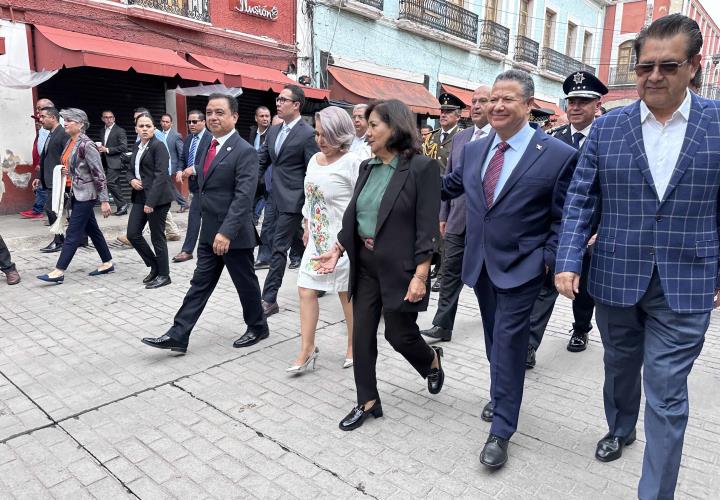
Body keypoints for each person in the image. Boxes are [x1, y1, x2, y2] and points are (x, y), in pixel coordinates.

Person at [555, 14, 717, 499]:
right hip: (616, 277)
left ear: (694, 66)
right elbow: (582, 198)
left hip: (686, 283)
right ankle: (621, 426)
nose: (654, 76)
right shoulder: (610, 129)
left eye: (668, 65)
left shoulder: (716, 125)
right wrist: (567, 259)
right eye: (645, 65)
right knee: (620, 367)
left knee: (667, 394)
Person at [442, 70, 577, 469]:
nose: (497, 106)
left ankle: (502, 428)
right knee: (494, 343)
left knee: (509, 343)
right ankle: (501, 393)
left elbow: (564, 217)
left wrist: (547, 260)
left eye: (508, 99)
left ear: (529, 105)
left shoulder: (556, 155)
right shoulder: (474, 149)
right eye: (492, 98)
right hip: (481, 265)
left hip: (523, 268)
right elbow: (449, 185)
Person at [313, 99, 445, 431]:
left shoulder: (421, 168)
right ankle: (367, 401)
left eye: (373, 126)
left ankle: (430, 360)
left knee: (399, 336)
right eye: (366, 125)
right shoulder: (366, 167)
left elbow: (427, 227)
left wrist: (421, 275)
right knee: (361, 334)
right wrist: (338, 247)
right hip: (366, 264)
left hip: (401, 267)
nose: (366, 131)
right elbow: (355, 215)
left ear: (395, 127)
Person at [141, 94, 268, 353]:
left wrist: (227, 232)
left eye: (220, 112)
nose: (213, 117)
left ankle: (258, 327)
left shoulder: (244, 151)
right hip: (210, 233)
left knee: (245, 284)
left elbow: (243, 197)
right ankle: (179, 334)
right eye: (209, 112)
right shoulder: (207, 146)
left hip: (233, 235)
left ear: (234, 117)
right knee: (199, 284)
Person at [526, 71, 608, 368]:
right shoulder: (553, 139)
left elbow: (610, 191)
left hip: (592, 228)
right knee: (546, 284)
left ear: (596, 104)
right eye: (571, 101)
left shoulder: (607, 138)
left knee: (584, 287)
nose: (574, 107)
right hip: (557, 226)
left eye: (582, 102)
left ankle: (581, 328)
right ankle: (529, 345)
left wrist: (601, 230)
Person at [287, 106, 361, 373]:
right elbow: (309, 196)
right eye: (317, 133)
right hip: (317, 240)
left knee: (346, 295)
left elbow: (360, 203)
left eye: (327, 134)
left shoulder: (353, 162)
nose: (321, 140)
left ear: (340, 133)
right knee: (306, 290)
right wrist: (306, 223)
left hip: (343, 243)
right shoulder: (314, 160)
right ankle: (307, 349)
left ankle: (354, 346)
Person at [421, 85, 492, 342]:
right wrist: (443, 215)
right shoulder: (462, 138)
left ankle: (494, 321)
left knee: (486, 278)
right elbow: (450, 179)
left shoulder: (500, 138)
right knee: (450, 272)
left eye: (482, 101)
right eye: (473, 101)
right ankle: (442, 325)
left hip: (487, 226)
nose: (475, 106)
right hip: (457, 220)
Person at [258, 85, 320, 316]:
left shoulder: (307, 134)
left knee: (278, 247)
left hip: (294, 200)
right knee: (293, 243)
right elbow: (261, 161)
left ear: (296, 105)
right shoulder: (273, 132)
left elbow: (312, 171)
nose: (278, 103)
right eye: (278, 99)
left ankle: (269, 299)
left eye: (284, 100)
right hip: (273, 197)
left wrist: (307, 209)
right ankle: (318, 273)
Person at [36, 108, 114, 284]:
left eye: (69, 120)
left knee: (72, 232)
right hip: (74, 193)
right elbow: (74, 165)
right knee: (92, 229)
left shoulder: (87, 145)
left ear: (80, 124)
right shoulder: (70, 142)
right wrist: (65, 170)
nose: (65, 122)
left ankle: (59, 271)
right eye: (65, 119)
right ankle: (107, 262)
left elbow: (98, 173)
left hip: (86, 194)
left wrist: (104, 200)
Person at [127, 113, 174, 289]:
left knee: (157, 237)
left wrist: (151, 202)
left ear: (154, 128)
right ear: (136, 129)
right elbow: (130, 169)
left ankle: (164, 275)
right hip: (139, 196)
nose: (145, 129)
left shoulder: (158, 146)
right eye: (141, 126)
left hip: (157, 199)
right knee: (133, 234)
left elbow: (161, 176)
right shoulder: (138, 146)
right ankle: (155, 265)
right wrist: (131, 179)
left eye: (148, 126)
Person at [424, 93, 465, 290]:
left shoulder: (462, 138)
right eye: (442, 111)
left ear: (458, 116)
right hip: (430, 190)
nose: (444, 114)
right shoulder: (431, 137)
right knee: (432, 232)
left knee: (446, 233)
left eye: (449, 112)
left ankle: (443, 273)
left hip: (449, 192)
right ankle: (435, 264)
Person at [173, 110, 211, 264]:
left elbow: (210, 160)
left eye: (195, 122)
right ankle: (189, 250)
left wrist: (194, 168)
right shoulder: (188, 139)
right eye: (189, 122)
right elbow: (182, 158)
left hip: (208, 185)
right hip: (195, 186)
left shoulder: (210, 138)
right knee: (196, 216)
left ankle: (188, 250)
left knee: (198, 217)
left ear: (204, 122)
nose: (191, 125)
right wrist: (180, 170)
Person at [34, 106, 70, 253]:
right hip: (49, 179)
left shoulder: (63, 134)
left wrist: (65, 175)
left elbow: (68, 157)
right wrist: (38, 177)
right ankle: (64, 240)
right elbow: (45, 158)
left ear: (53, 118)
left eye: (43, 117)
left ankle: (59, 241)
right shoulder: (50, 134)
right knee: (54, 209)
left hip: (59, 179)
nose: (40, 120)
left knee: (51, 209)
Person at [98, 110, 129, 215]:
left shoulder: (119, 130)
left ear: (114, 118)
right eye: (106, 117)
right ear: (102, 119)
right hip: (105, 161)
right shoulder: (102, 131)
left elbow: (124, 147)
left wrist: (107, 149)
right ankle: (122, 207)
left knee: (109, 182)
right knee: (115, 183)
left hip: (116, 161)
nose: (108, 119)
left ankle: (123, 203)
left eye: (110, 117)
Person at [160, 114, 188, 213]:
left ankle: (183, 203)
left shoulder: (176, 136)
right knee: (166, 185)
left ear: (171, 124)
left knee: (169, 185)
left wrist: (180, 168)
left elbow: (181, 153)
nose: (164, 123)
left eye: (167, 122)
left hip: (172, 165)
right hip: (160, 165)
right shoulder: (158, 134)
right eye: (163, 121)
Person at [249, 106, 272, 225]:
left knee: (264, 195)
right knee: (254, 196)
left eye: (267, 116)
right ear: (256, 118)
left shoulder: (272, 133)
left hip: (267, 172)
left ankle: (255, 217)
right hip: (253, 171)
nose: (265, 119)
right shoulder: (253, 132)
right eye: (262, 116)